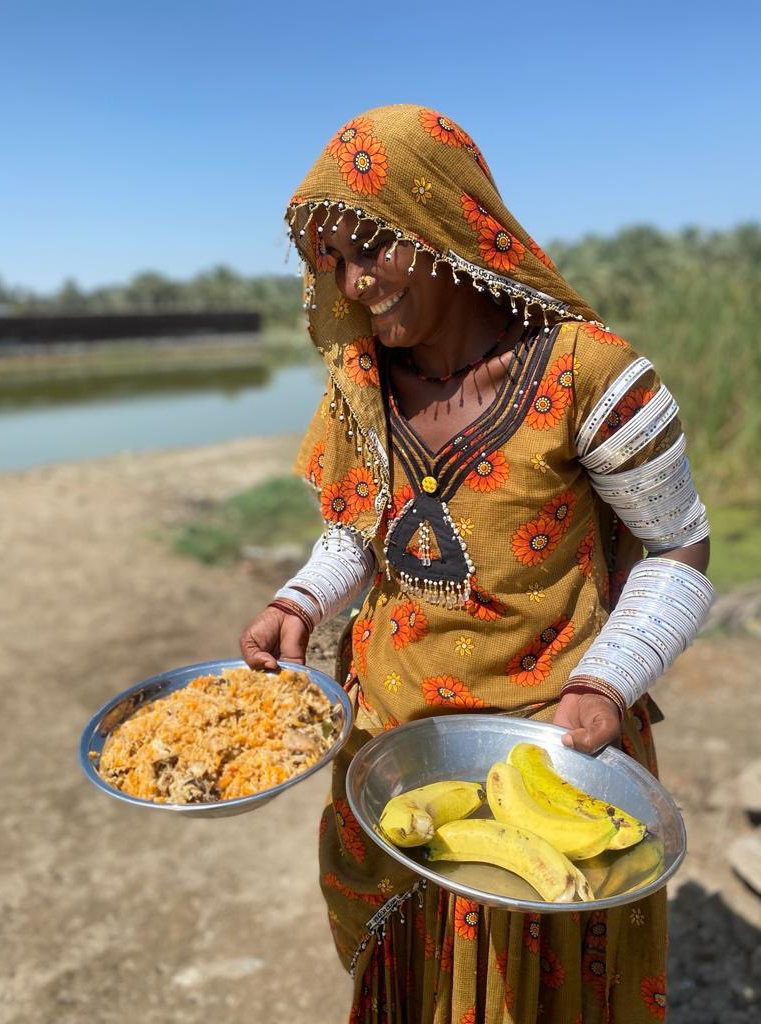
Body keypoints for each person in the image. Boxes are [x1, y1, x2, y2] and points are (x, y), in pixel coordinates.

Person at [239, 103, 711, 1023]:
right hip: (386, 743)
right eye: (335, 258)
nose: (357, 281)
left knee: (523, 991)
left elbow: (677, 547)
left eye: (372, 245)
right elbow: (357, 526)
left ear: (442, 221)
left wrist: (608, 682)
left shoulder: (590, 377)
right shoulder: (364, 383)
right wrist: (302, 600)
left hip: (542, 753)